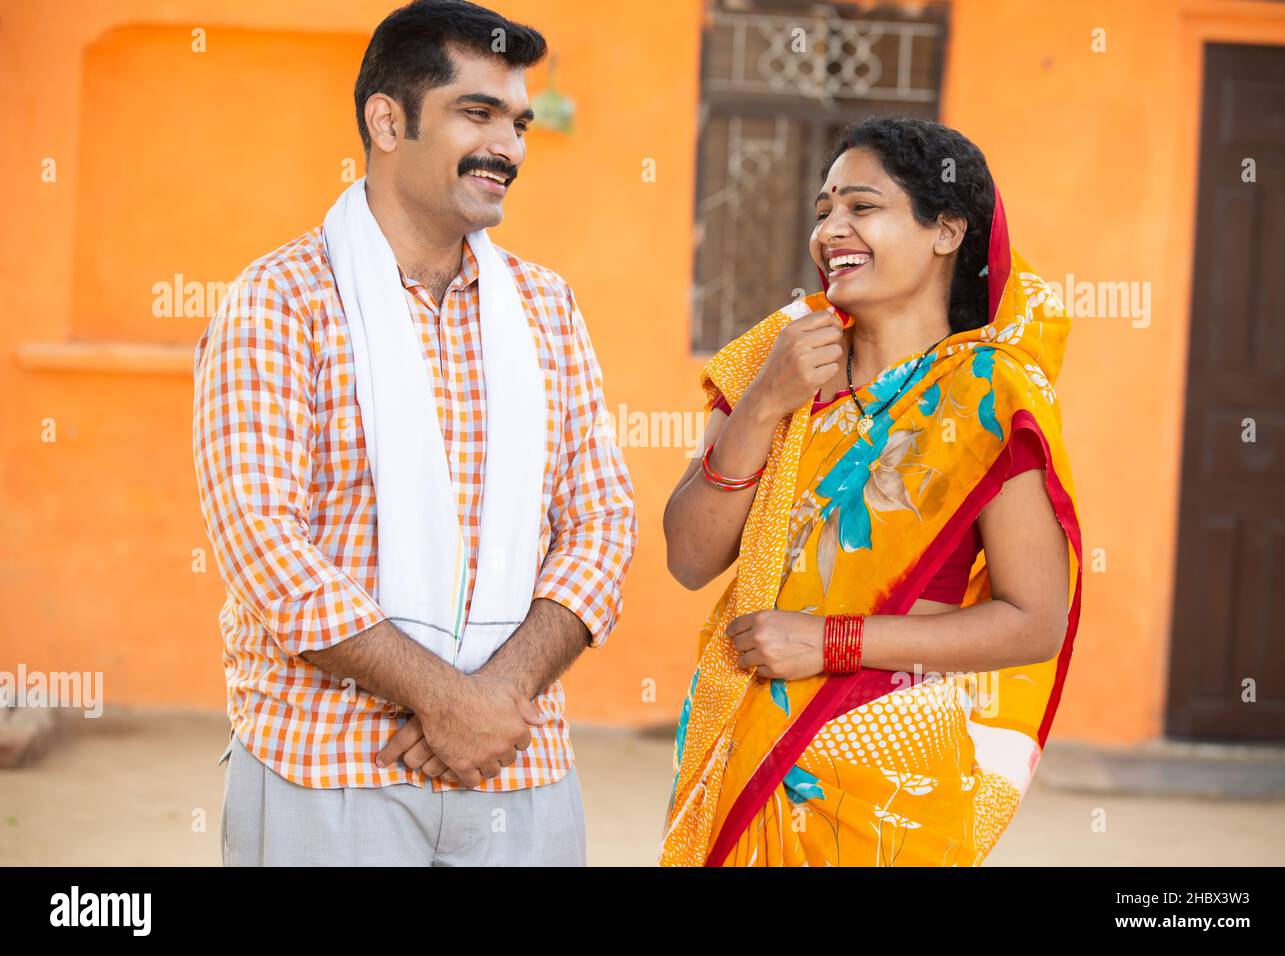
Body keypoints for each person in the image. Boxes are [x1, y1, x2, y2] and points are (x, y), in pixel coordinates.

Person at [192, 0, 636, 866]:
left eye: (518, 122)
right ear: (387, 120)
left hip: (520, 764)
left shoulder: (545, 307)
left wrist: (490, 701)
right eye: (477, 114)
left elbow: (603, 522)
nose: (507, 146)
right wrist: (443, 699)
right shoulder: (278, 302)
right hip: (326, 767)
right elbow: (262, 545)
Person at [659, 117, 1082, 866]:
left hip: (889, 768)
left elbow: (1033, 621)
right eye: (824, 210)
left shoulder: (989, 396)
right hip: (739, 739)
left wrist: (829, 641)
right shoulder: (780, 354)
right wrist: (763, 403)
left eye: (862, 206)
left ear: (946, 230)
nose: (831, 229)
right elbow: (691, 559)